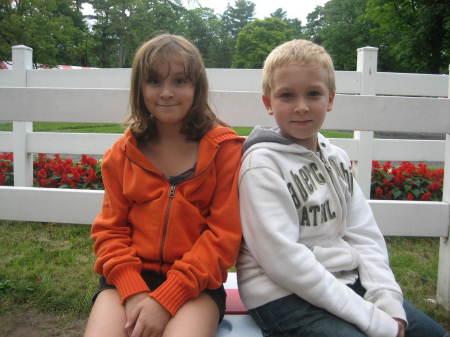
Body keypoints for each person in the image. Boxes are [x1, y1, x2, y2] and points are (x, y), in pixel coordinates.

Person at [236, 39, 449, 337]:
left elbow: (364, 234)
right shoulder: (262, 166)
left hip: (345, 281)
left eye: (313, 94)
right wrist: (373, 322)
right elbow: (285, 263)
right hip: (281, 295)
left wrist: (387, 303)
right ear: (268, 103)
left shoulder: (336, 158)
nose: (301, 107)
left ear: (330, 99)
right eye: (286, 95)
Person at [84, 34, 243, 337]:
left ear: (197, 88)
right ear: (139, 88)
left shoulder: (225, 151)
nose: (167, 93)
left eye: (180, 81)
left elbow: (223, 237)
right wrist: (133, 291)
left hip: (196, 287)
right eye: (154, 81)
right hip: (126, 280)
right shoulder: (121, 154)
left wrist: (168, 298)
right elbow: (110, 231)